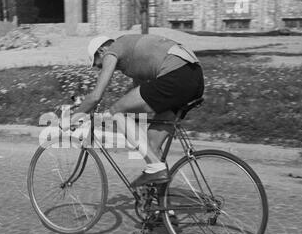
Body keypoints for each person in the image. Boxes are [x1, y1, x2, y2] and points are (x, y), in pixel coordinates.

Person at [70, 34, 204, 187]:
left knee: (116, 111)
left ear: (101, 51)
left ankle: (155, 168)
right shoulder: (132, 56)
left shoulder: (113, 49)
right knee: (152, 145)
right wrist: (127, 127)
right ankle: (161, 206)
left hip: (177, 74)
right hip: (195, 77)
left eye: (98, 64)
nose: (99, 68)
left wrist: (72, 119)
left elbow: (95, 96)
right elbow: (140, 97)